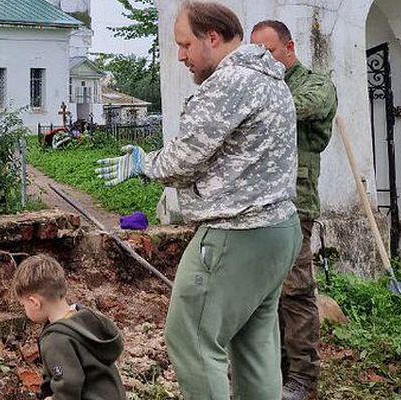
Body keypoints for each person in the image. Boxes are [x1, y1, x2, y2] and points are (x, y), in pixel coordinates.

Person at [95, 2, 302, 398]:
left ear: (213, 37)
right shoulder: (269, 78)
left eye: (185, 44)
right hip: (279, 230)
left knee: (191, 338)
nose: (180, 56)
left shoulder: (229, 82)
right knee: (254, 346)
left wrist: (144, 163)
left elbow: (184, 160)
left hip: (236, 234)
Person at [251, 20, 337, 400]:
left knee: (296, 292)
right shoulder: (260, 88)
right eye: (256, 53)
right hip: (258, 206)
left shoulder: (315, 85)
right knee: (263, 294)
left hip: (295, 205)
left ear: (289, 48)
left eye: (268, 51)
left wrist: (252, 101)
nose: (263, 60)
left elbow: (300, 107)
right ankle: (276, 372)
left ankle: (303, 378)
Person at [11, 254, 126, 400]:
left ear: (35, 303)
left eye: (24, 305)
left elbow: (68, 385)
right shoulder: (84, 318)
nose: (25, 310)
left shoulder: (57, 340)